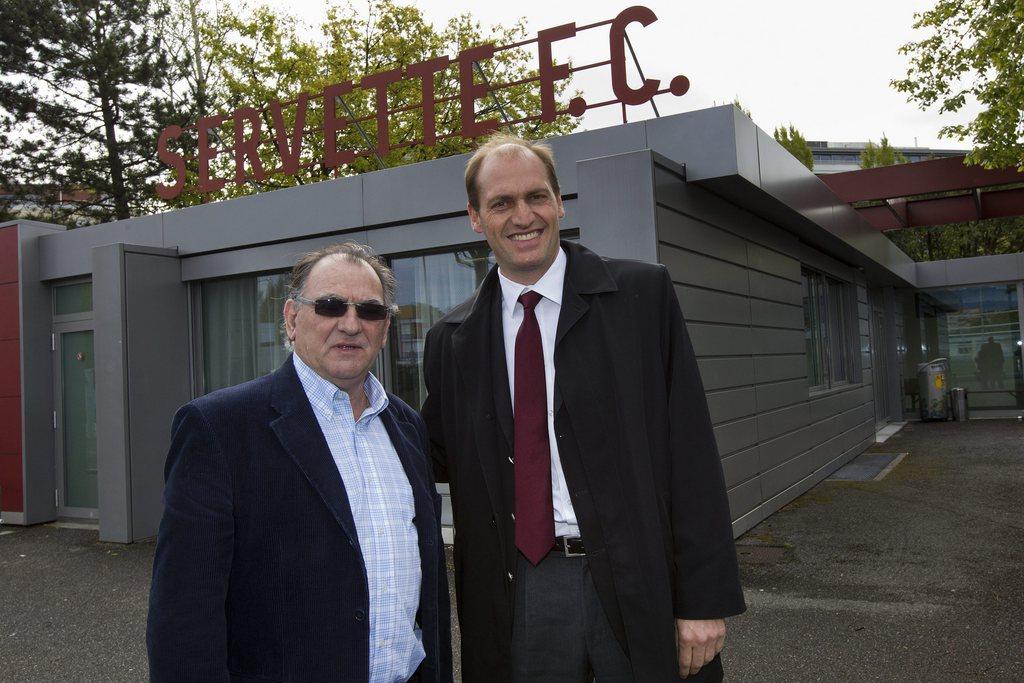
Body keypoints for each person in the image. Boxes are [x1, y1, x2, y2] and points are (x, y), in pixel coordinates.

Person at [422, 134, 745, 681]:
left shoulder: (642, 297)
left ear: (559, 202)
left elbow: (690, 452)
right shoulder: (452, 340)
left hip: (637, 577)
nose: (524, 216)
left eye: (537, 197)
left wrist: (702, 599)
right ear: (475, 217)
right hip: (520, 589)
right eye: (501, 203)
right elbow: (428, 454)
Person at [147, 243, 452, 683]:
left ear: (384, 328)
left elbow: (430, 594)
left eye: (369, 310)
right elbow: (184, 616)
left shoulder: (406, 426)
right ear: (292, 318)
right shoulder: (218, 428)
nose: (350, 324)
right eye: (330, 306)